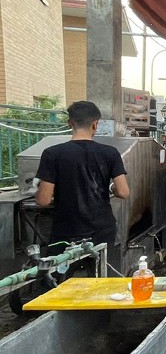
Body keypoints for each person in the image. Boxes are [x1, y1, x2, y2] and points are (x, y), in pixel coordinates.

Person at [35, 101, 129, 268]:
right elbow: (123, 192)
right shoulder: (110, 153)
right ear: (95, 124)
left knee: (61, 279)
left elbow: (43, 200)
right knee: (100, 277)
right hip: (102, 230)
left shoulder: (52, 154)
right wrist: (112, 188)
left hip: (66, 232)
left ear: (70, 123)